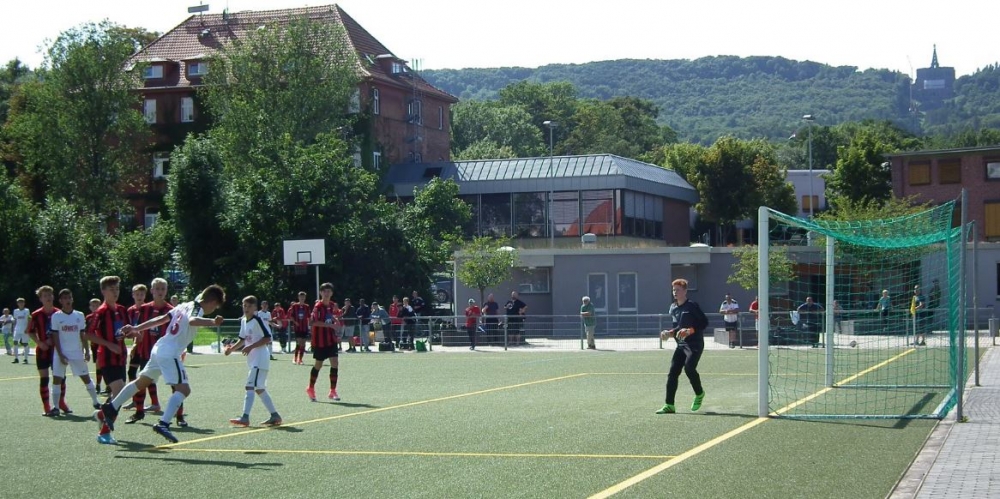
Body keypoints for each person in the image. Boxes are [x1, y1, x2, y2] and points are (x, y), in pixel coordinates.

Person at [98, 285, 226, 444]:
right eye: (214, 307)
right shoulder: (196, 308)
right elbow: (193, 320)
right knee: (184, 390)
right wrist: (213, 322)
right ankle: (163, 423)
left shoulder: (183, 305)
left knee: (141, 382)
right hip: (170, 352)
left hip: (159, 348)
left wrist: (137, 327)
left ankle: (111, 407)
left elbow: (161, 319)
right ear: (212, 301)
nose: (213, 310)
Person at [84, 276, 130, 443]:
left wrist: (135, 333)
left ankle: (101, 414)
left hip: (121, 357)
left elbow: (126, 330)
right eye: (112, 289)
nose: (115, 292)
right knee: (120, 393)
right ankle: (104, 433)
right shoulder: (100, 312)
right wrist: (108, 345)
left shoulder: (122, 309)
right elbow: (88, 334)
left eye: (117, 289)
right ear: (103, 291)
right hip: (107, 358)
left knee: (120, 394)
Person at [225, 295, 282, 427]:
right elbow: (243, 339)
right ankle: (275, 415)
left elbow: (267, 338)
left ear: (255, 308)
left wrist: (251, 346)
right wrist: (231, 349)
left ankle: (245, 417)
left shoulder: (257, 320)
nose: (246, 308)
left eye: (249, 306)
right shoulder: (244, 321)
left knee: (249, 386)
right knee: (259, 389)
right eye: (244, 305)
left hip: (260, 358)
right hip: (253, 360)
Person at [123, 278, 173, 425]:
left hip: (166, 353)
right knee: (141, 381)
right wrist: (135, 344)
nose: (160, 292)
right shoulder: (144, 309)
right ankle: (139, 412)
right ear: (152, 291)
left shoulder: (171, 310)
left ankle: (179, 416)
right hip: (147, 353)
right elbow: (141, 329)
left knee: (174, 383)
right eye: (157, 289)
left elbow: (175, 332)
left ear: (166, 291)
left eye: (163, 289)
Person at [656, 278, 708, 414]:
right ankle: (669, 405)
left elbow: (704, 322)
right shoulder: (673, 308)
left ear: (685, 291)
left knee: (689, 368)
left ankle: (699, 393)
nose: (675, 292)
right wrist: (669, 333)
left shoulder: (692, 306)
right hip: (681, 345)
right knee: (673, 372)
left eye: (678, 290)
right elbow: (677, 327)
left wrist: (690, 330)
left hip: (694, 344)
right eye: (673, 290)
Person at [49, 289, 102, 414]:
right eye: (64, 298)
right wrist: (60, 354)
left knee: (85, 377)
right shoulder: (56, 316)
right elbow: (55, 336)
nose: (67, 300)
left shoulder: (79, 315)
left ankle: (95, 402)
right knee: (57, 378)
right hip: (60, 352)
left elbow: (82, 334)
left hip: (76, 352)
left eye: (69, 298)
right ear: (60, 301)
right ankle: (56, 407)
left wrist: (87, 351)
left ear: (72, 299)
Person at [26, 286, 69, 415]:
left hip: (57, 351)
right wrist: (40, 342)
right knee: (44, 378)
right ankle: (46, 406)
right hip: (43, 351)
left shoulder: (59, 313)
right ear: (41, 299)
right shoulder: (36, 314)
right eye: (45, 296)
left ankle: (61, 402)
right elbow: (30, 331)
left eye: (50, 295)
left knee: (61, 378)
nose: (48, 297)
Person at [306, 283, 341, 402]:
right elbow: (313, 322)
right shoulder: (318, 306)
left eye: (329, 291)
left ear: (331, 293)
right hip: (320, 341)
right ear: (321, 293)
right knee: (318, 365)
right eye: (324, 291)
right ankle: (310, 388)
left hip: (331, 340)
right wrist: (330, 325)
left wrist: (336, 322)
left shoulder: (331, 305)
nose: (326, 294)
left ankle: (333, 391)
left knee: (335, 363)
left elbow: (331, 317)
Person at [122, 283, 148, 410]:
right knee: (132, 372)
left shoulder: (148, 309)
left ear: (145, 295)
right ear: (133, 295)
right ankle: (135, 400)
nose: (139, 296)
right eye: (137, 294)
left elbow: (145, 330)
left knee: (147, 375)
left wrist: (136, 343)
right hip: (137, 345)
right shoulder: (130, 311)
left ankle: (155, 403)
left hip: (147, 346)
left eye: (142, 294)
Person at [288, 291, 311, 365]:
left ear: (305, 298)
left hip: (304, 327)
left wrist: (310, 324)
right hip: (297, 327)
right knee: (299, 342)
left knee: (303, 344)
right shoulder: (294, 306)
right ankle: (295, 358)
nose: (302, 298)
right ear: (298, 297)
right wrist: (295, 322)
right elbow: (291, 316)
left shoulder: (307, 306)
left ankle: (300, 359)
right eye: (301, 297)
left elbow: (309, 316)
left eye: (303, 297)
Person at [85, 298, 103, 392]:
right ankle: (99, 384)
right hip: (94, 344)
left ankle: (102, 385)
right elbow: (86, 332)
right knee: (98, 364)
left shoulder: (103, 315)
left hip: (102, 343)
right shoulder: (88, 317)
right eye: (93, 305)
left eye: (97, 305)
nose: (95, 307)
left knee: (101, 363)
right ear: (90, 307)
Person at [12, 297, 30, 364]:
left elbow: (29, 320)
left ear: (24, 303)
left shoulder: (27, 310)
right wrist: (13, 329)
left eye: (22, 302)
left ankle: (25, 359)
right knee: (15, 342)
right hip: (17, 329)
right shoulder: (15, 311)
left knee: (25, 343)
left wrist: (27, 328)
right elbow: (15, 320)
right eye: (19, 302)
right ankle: (16, 358)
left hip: (24, 329)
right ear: (17, 303)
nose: (21, 303)